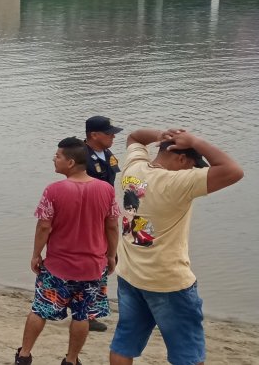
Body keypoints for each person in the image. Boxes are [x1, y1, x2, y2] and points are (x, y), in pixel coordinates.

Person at [109, 129, 244, 365]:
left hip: (130, 276)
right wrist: (196, 141)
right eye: (191, 164)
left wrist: (163, 134)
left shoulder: (134, 168)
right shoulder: (177, 182)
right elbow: (234, 171)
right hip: (168, 282)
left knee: (124, 344)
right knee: (188, 354)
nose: (191, 170)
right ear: (181, 158)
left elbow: (135, 137)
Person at [14, 138, 119, 365]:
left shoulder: (54, 190)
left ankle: (24, 355)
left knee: (40, 309)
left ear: (70, 162)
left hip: (58, 266)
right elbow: (112, 226)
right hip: (92, 267)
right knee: (82, 315)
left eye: (58, 156)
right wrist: (111, 255)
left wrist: (36, 254)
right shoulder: (107, 190)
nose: (54, 159)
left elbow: (44, 226)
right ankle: (71, 360)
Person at [83, 114, 123, 334]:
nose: (112, 137)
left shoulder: (108, 154)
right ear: (94, 135)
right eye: (109, 134)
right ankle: (85, 313)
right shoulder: (80, 155)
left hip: (106, 213)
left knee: (106, 260)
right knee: (92, 261)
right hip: (87, 216)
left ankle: (91, 312)